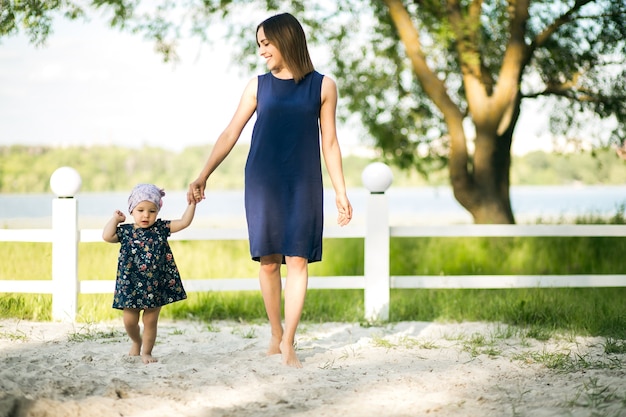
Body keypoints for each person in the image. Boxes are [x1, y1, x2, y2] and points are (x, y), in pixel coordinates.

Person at [187, 12, 353, 368]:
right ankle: (275, 333)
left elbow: (331, 143)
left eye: (266, 43)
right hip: (262, 181)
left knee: (297, 259)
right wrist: (204, 174)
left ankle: (290, 341)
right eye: (258, 44)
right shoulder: (257, 85)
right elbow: (231, 132)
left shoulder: (323, 86)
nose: (262, 51)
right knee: (268, 263)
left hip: (304, 181)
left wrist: (340, 191)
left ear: (286, 39)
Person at [103, 183, 196, 364]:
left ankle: (147, 352)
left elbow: (184, 222)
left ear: (158, 211)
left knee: (150, 321)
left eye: (152, 211)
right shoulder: (127, 231)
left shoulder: (161, 228)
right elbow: (107, 236)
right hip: (130, 285)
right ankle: (136, 341)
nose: (146, 215)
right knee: (129, 321)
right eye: (141, 210)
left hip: (155, 285)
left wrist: (192, 204)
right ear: (132, 210)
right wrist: (115, 220)